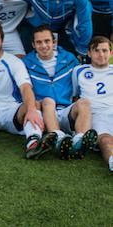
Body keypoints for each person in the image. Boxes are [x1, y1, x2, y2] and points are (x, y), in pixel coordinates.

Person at [0, 22, 51, 160]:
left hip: (11, 109)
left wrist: (31, 109)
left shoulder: (14, 61)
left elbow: (26, 87)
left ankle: (33, 143)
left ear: (2, 40)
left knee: (34, 105)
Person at [23, 25, 96, 159]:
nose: (44, 45)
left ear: (54, 42)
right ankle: (58, 139)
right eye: (39, 42)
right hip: (45, 112)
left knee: (84, 103)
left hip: (66, 110)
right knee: (48, 100)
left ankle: (80, 141)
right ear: (33, 44)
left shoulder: (69, 59)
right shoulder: (26, 63)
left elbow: (80, 85)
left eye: (47, 41)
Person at [72, 36, 113, 173]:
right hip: (96, 115)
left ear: (111, 53)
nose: (101, 54)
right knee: (106, 141)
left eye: (105, 50)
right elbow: (74, 95)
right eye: (96, 50)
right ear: (89, 53)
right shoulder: (79, 71)